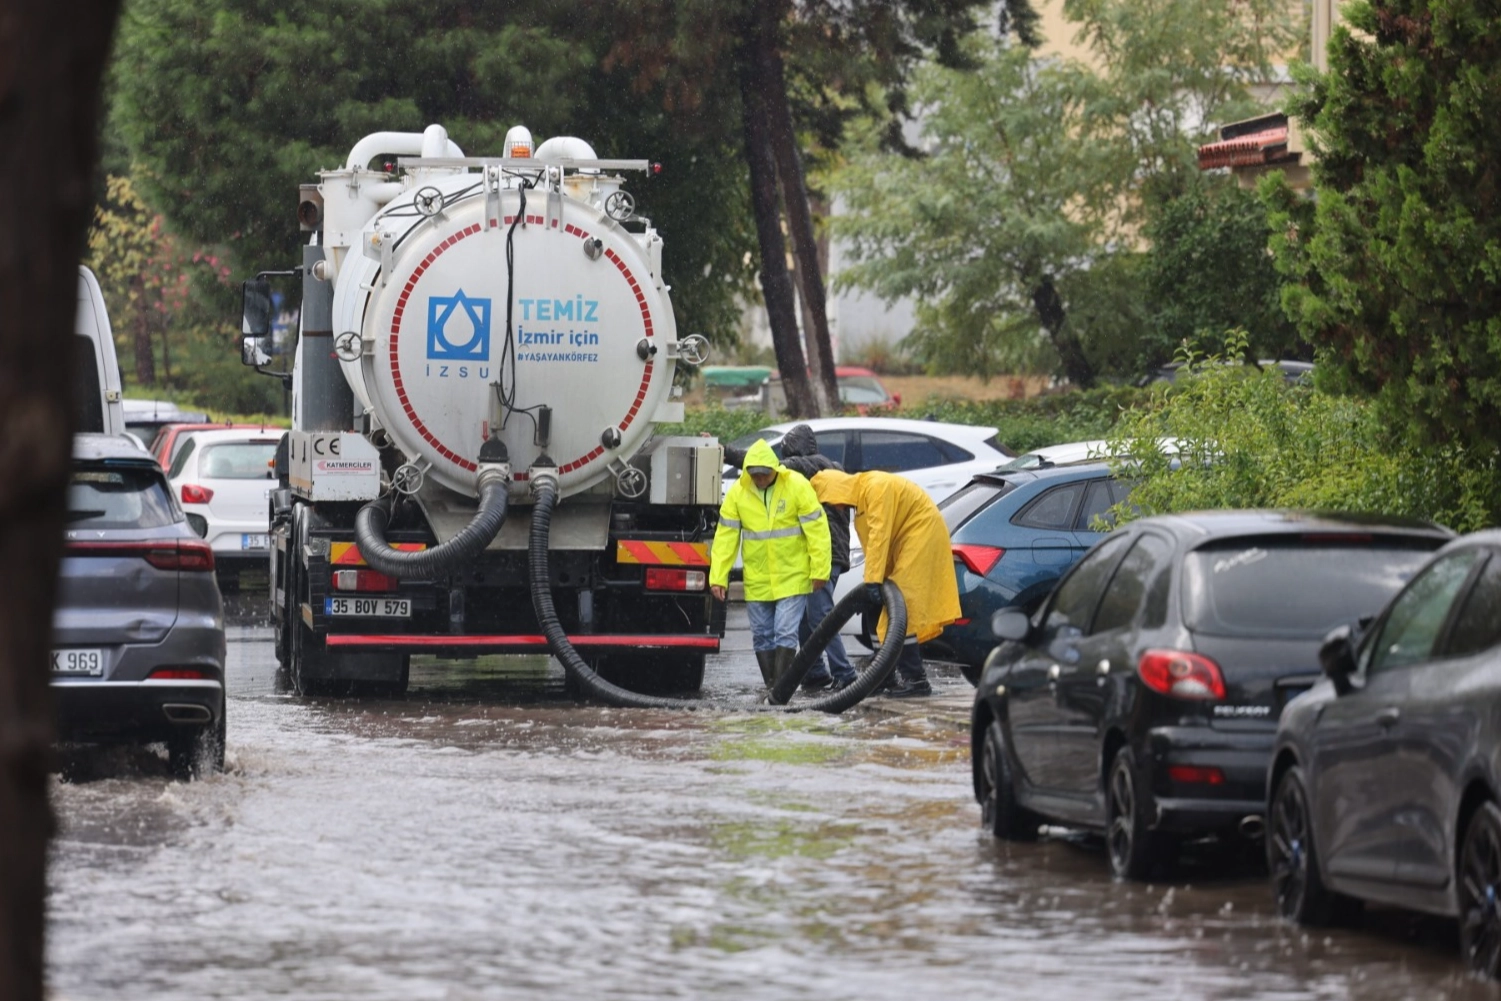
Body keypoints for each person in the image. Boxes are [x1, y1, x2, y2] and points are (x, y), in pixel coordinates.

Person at [809, 469, 961, 698]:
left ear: (837, 490)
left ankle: (916, 680)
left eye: (829, 501)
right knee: (876, 608)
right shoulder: (861, 501)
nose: (833, 507)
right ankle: (883, 677)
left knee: (902, 607)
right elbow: (874, 544)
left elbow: (879, 537)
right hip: (904, 541)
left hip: (921, 536)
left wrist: (872, 580)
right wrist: (872, 581)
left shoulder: (875, 488)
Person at [709, 439, 831, 688]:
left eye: (764, 474)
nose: (760, 479)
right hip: (758, 579)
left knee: (785, 632)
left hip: (792, 575)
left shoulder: (796, 486)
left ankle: (780, 691)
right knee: (762, 636)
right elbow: (725, 538)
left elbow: (817, 530)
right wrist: (718, 577)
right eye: (754, 474)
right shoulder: (738, 493)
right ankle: (773, 688)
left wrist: (820, 569)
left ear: (774, 469)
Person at [776, 424, 856, 692]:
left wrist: (727, 454)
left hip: (826, 554)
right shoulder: (829, 467)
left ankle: (844, 673)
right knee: (804, 618)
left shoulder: (814, 465)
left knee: (821, 616)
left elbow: (772, 466)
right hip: (826, 553)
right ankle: (814, 673)